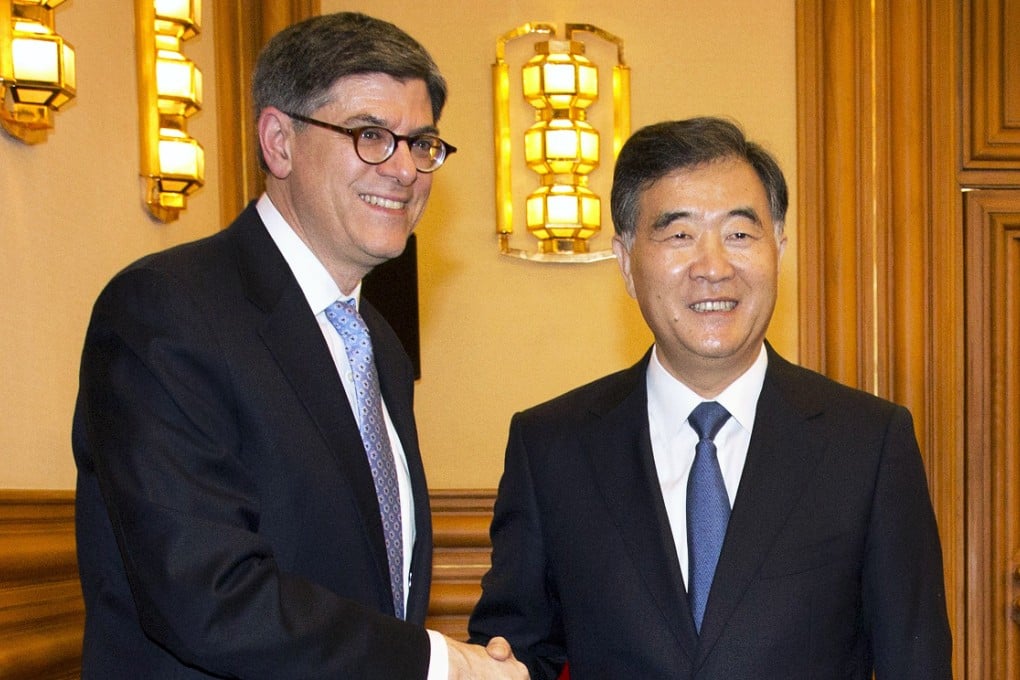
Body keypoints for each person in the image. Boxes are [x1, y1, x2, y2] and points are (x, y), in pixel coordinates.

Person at [73, 12, 526, 680]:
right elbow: (206, 597)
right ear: (279, 141)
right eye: (372, 135)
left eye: (422, 142)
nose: (404, 169)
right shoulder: (166, 310)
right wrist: (437, 663)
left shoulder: (378, 346)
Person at [468, 117, 952, 679]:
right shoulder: (551, 447)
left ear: (779, 247)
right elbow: (518, 654)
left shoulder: (867, 444)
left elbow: (914, 663)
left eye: (740, 234)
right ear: (626, 262)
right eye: (679, 235)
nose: (714, 268)